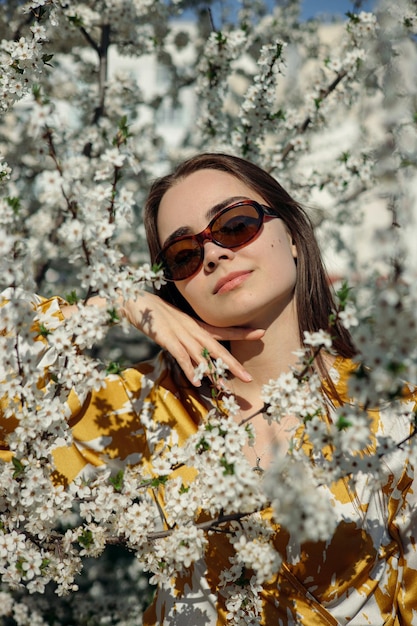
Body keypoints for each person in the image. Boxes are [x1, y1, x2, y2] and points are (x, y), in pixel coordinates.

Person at [1, 153, 417, 624]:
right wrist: (113, 304)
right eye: (184, 255)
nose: (215, 253)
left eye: (236, 225)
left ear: (294, 237)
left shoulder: (395, 416)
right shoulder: (145, 407)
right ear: (175, 287)